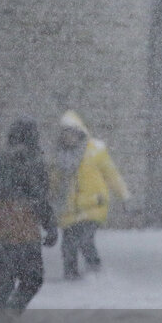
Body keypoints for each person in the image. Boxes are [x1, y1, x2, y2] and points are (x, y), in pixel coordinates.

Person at [0, 117, 58, 318]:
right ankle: (10, 314)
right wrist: (50, 226)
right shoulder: (33, 162)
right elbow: (40, 199)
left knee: (4, 279)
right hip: (24, 228)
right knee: (33, 278)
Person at [51, 110, 130, 280]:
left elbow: (111, 174)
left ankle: (96, 272)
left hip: (94, 206)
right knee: (67, 246)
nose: (68, 138)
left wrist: (123, 195)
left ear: (79, 132)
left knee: (84, 239)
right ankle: (71, 276)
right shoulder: (60, 156)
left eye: (71, 133)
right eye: (65, 134)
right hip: (69, 210)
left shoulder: (95, 150)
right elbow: (54, 182)